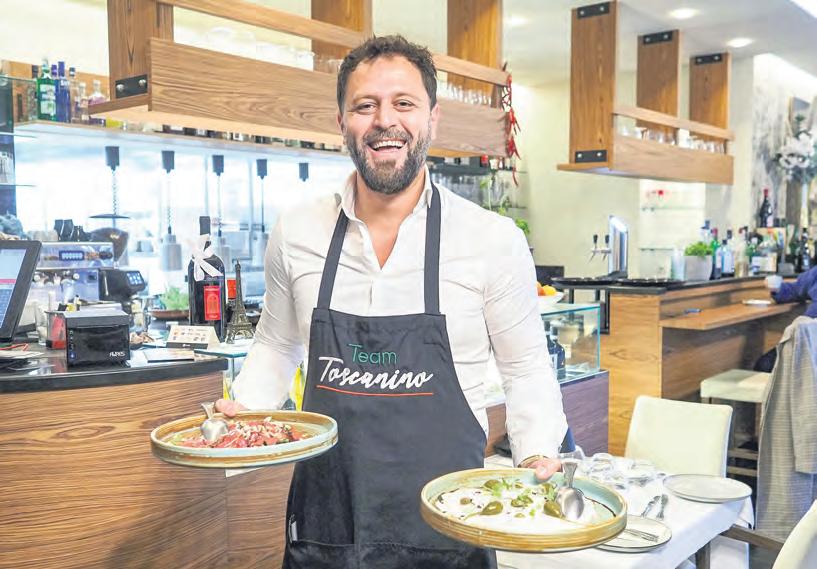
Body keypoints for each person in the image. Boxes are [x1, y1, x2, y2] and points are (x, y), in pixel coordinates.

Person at [216, 35, 567, 569]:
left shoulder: (491, 240)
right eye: (365, 105)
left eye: (404, 103)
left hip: (450, 530)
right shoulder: (297, 230)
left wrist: (537, 451)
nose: (385, 121)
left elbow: (525, 369)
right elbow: (277, 344)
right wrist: (243, 416)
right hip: (326, 530)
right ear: (341, 122)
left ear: (432, 118)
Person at [755, 269, 817, 372]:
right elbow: (794, 289)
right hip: (802, 340)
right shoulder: (814, 275)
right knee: (764, 365)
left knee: (765, 366)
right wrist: (777, 288)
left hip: (811, 345)